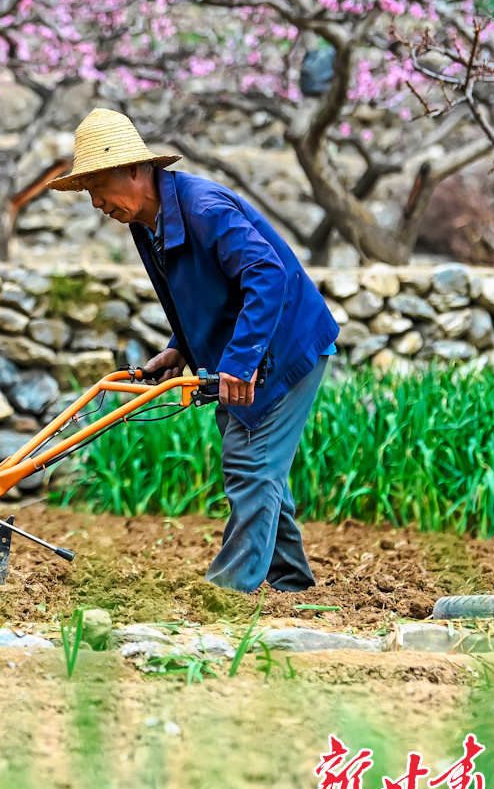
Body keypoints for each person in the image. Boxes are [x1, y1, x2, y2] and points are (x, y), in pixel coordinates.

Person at [47, 108, 339, 592]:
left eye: (99, 185)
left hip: (283, 347)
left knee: (250, 461)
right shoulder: (147, 221)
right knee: (258, 464)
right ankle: (289, 581)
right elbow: (198, 292)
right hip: (245, 350)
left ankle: (227, 593)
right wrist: (179, 346)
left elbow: (267, 275)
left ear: (137, 171)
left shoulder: (205, 210)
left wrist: (241, 361)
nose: (96, 202)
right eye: (88, 192)